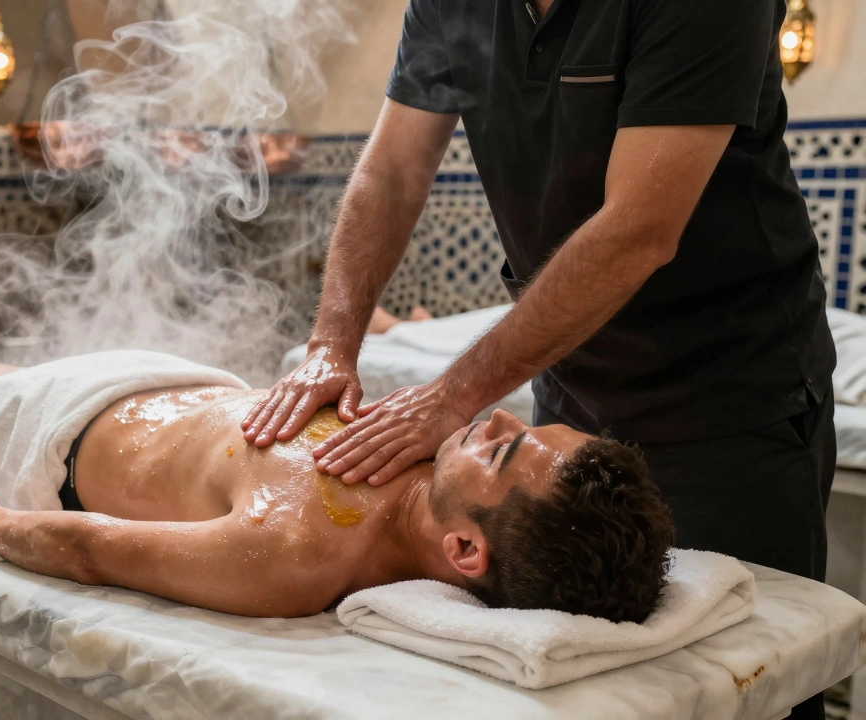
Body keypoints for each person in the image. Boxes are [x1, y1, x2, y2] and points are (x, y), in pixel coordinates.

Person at [243, 5, 833, 713]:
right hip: (571, 386)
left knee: (741, 683)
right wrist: (330, 346)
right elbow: (395, 169)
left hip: (727, 398)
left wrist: (452, 396)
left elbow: (638, 230)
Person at [0, 342, 674, 621]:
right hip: (160, 378)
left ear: (465, 551)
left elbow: (96, 550)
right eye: (527, 423)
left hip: (56, 438)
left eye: (504, 452)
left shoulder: (295, 550)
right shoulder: (430, 460)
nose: (499, 418)